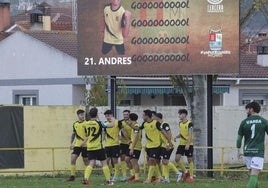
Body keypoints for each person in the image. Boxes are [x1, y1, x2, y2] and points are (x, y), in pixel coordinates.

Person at [131, 109, 173, 184]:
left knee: (151, 160)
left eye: (143, 115)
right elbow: (138, 128)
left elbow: (164, 132)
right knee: (152, 162)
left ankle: (148, 179)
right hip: (148, 146)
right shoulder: (144, 123)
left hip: (156, 146)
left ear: (147, 116)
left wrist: (169, 142)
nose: (142, 116)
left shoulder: (156, 123)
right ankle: (160, 177)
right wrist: (130, 125)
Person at [236, 101, 268, 188]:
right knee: (254, 175)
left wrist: (238, 150)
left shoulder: (244, 122)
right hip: (258, 152)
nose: (246, 111)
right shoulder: (264, 121)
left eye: (247, 109)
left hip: (247, 151)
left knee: (253, 175)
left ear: (251, 109)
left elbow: (239, 139)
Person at [81, 107, 114, 185]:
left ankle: (85, 179)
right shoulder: (99, 123)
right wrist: (112, 118)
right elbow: (111, 125)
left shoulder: (86, 124)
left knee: (91, 163)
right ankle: (108, 181)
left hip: (89, 147)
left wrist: (83, 143)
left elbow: (86, 135)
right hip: (98, 147)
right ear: (96, 114)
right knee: (104, 163)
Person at [154, 113, 182, 183]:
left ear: (157, 117)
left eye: (153, 117)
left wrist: (169, 143)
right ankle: (166, 178)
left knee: (165, 161)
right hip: (163, 145)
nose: (152, 118)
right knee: (164, 162)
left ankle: (178, 173)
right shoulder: (158, 125)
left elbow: (169, 134)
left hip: (169, 144)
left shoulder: (164, 124)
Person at [103, 110, 130, 182]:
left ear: (112, 115)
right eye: (106, 116)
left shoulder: (118, 122)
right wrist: (101, 140)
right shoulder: (105, 124)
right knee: (106, 161)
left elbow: (123, 131)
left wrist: (128, 140)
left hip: (115, 145)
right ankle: (111, 173)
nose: (107, 117)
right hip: (107, 145)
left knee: (115, 161)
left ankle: (116, 175)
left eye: (109, 115)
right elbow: (104, 134)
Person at [66, 109, 89, 181]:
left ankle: (86, 177)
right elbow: (74, 134)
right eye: (81, 115)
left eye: (83, 115)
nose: (83, 116)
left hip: (85, 145)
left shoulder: (87, 123)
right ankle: (72, 176)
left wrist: (84, 142)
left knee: (85, 160)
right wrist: (71, 143)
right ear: (78, 115)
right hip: (77, 145)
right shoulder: (75, 124)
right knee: (73, 158)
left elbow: (88, 135)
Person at [174, 109, 195, 183]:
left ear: (184, 115)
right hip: (181, 144)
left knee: (189, 160)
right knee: (177, 159)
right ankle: (186, 171)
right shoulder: (180, 123)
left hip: (189, 144)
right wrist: (176, 137)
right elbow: (181, 133)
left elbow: (190, 135)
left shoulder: (190, 124)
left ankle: (191, 176)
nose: (179, 116)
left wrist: (188, 144)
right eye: (179, 114)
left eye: (180, 114)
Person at [126, 113, 142, 182]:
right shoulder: (133, 126)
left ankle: (137, 178)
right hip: (132, 145)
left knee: (134, 161)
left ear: (130, 119)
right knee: (127, 159)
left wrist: (132, 148)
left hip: (136, 147)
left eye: (128, 118)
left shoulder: (136, 126)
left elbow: (136, 137)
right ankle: (133, 175)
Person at [118, 110, 132, 181]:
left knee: (129, 159)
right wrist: (119, 137)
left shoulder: (133, 122)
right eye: (124, 115)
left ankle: (133, 174)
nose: (125, 116)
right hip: (123, 143)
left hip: (131, 143)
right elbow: (116, 131)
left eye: (127, 114)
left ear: (129, 115)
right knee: (122, 158)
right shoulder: (120, 122)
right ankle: (124, 175)